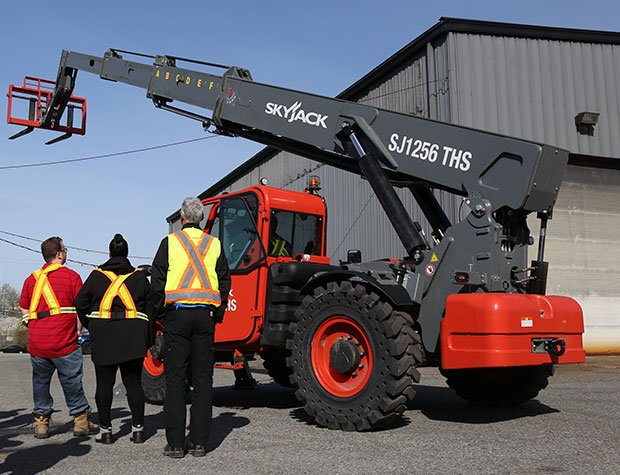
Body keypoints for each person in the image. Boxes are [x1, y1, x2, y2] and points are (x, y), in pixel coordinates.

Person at [151, 197, 230, 458]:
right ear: (202, 219)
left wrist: (161, 313)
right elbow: (224, 281)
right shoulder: (214, 244)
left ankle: (175, 443)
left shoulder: (170, 242)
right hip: (204, 318)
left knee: (175, 380)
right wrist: (216, 313)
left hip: (177, 317)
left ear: (182, 218)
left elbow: (158, 280)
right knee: (202, 380)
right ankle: (198, 443)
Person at [75, 234, 154, 445]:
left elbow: (80, 302)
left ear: (109, 253)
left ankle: (106, 431)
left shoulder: (95, 276)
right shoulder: (139, 277)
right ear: (127, 254)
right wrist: (148, 336)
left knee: (104, 384)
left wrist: (91, 324)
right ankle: (138, 430)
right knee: (134, 384)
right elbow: (152, 307)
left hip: (104, 336)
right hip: (133, 336)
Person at [19, 236, 99, 439]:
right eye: (65, 250)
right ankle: (81, 422)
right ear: (59, 254)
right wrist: (78, 331)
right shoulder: (72, 277)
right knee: (72, 381)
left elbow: (24, 308)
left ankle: (41, 424)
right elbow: (81, 309)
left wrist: (33, 325)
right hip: (64, 341)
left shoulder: (31, 279)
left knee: (40, 383)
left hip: (38, 342)